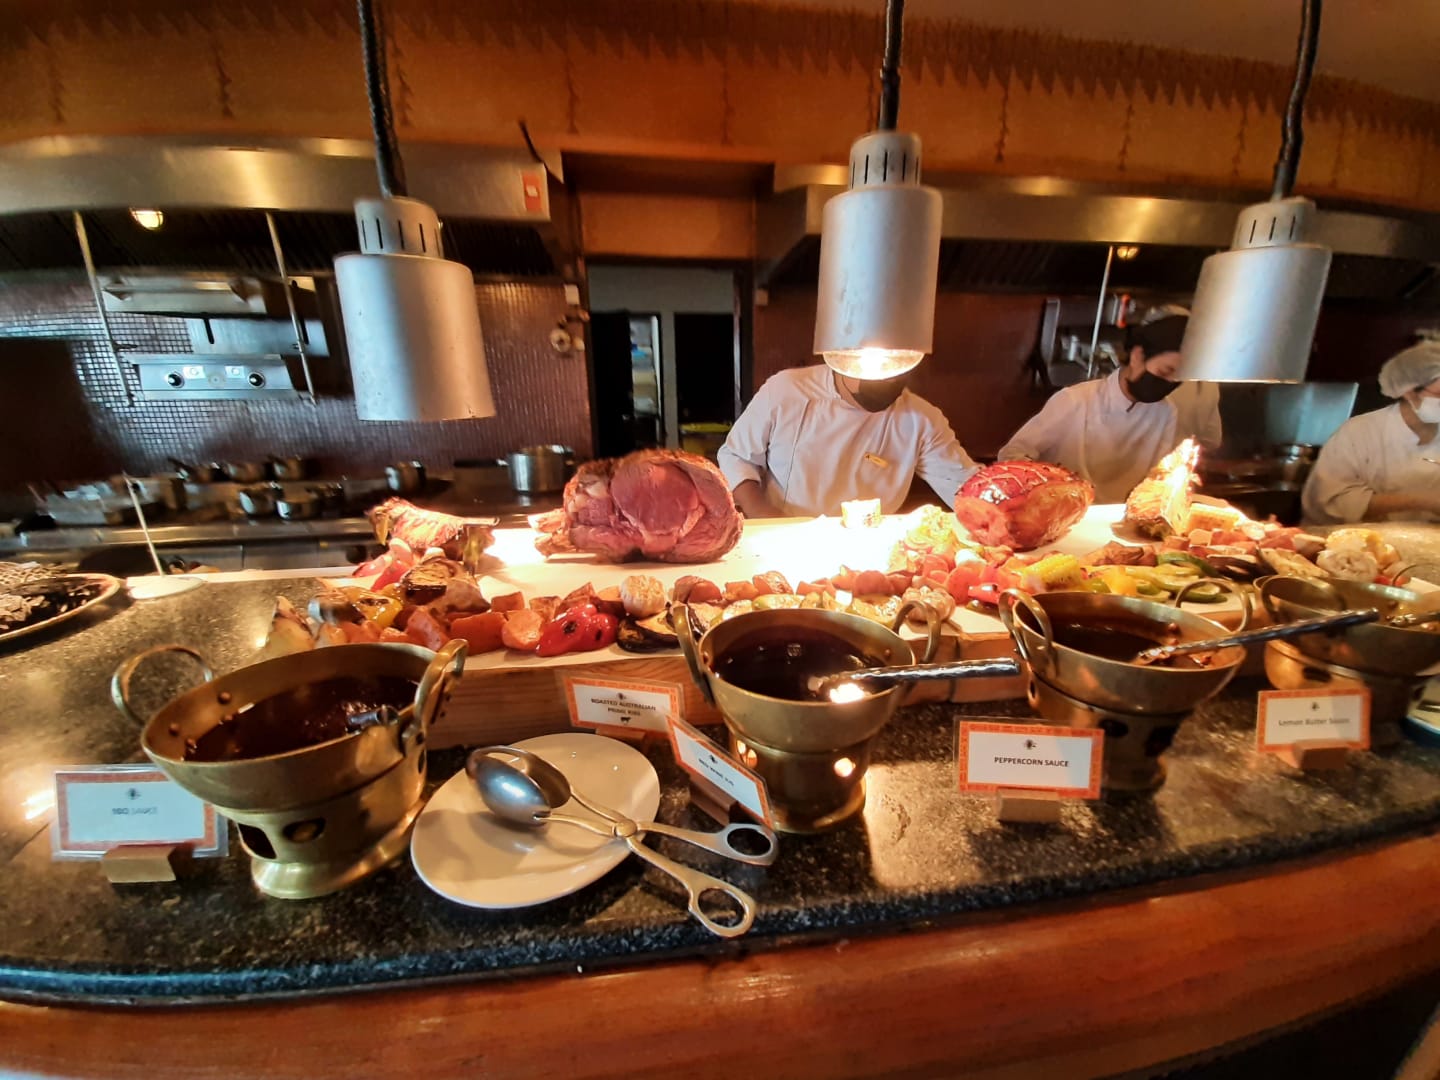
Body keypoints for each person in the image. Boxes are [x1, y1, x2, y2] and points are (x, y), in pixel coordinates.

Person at [997, 310, 1223, 503]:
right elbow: (1012, 454)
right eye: (1166, 371)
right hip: (1060, 513)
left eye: (1179, 377)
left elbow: (1155, 481)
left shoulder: (1166, 413)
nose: (1171, 382)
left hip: (1120, 521)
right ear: (1137, 356)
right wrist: (1044, 487)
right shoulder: (1076, 401)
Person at [716, 364, 978, 518]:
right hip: (784, 531)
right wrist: (763, 515)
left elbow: (966, 488)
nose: (884, 380)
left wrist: (996, 499)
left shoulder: (922, 419)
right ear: (841, 358)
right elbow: (736, 456)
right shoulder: (787, 391)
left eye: (893, 372)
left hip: (871, 546)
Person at [1301, 342, 1440, 524]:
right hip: (1356, 537)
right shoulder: (1359, 433)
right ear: (1409, 392)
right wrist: (1423, 501)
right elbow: (1332, 502)